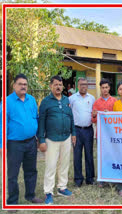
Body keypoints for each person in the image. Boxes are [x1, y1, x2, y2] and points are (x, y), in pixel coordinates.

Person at [38, 75, 76, 205]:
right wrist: (41, 140)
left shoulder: (66, 100)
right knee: (51, 165)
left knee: (64, 163)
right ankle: (48, 192)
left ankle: (62, 187)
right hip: (51, 139)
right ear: (51, 86)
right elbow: (41, 122)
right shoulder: (46, 102)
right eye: (56, 84)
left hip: (66, 138)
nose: (58, 87)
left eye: (60, 85)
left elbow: (71, 118)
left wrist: (74, 134)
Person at [6, 74, 43, 205]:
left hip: (31, 142)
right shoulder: (7, 102)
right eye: (20, 84)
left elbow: (36, 118)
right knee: (12, 174)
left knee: (31, 170)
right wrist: (1, 145)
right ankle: (12, 201)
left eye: (25, 84)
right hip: (14, 144)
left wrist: (38, 137)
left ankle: (30, 195)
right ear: (14, 85)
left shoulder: (31, 100)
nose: (23, 86)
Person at [69, 78, 95, 187]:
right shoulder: (71, 98)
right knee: (77, 155)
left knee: (89, 154)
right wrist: (72, 132)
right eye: (81, 84)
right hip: (77, 130)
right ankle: (78, 179)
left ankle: (90, 178)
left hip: (88, 129)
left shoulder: (92, 98)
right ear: (77, 85)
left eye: (85, 84)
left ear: (87, 85)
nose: (83, 86)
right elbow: (69, 115)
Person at [92, 78, 117, 188]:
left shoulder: (115, 101)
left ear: (109, 88)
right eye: (103, 88)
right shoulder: (96, 102)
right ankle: (102, 178)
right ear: (100, 88)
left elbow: (118, 118)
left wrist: (110, 114)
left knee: (112, 155)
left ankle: (112, 176)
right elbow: (93, 120)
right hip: (101, 134)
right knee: (102, 156)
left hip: (112, 135)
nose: (105, 89)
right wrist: (93, 115)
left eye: (106, 87)